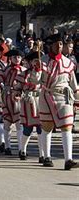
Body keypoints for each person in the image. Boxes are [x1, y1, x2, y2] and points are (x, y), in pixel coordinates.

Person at [39, 34, 79, 170]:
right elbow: (34, 80)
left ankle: (68, 159)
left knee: (67, 126)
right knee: (47, 126)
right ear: (50, 45)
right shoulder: (42, 61)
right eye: (56, 44)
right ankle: (46, 156)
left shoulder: (68, 63)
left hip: (64, 95)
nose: (59, 46)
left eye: (61, 44)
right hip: (47, 95)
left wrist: (77, 96)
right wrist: (36, 71)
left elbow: (73, 82)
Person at [15, 50, 44, 162]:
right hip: (29, 101)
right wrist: (17, 93)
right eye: (35, 61)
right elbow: (18, 87)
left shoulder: (45, 73)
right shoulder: (24, 74)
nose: (38, 63)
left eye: (39, 60)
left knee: (42, 128)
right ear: (31, 62)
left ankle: (42, 154)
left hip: (42, 100)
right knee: (28, 128)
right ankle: (22, 150)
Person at [0, 49, 24, 156]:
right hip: (7, 97)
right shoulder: (5, 69)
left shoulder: (24, 70)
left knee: (19, 123)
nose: (17, 59)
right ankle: (7, 146)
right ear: (10, 59)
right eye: (14, 57)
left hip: (19, 98)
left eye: (19, 57)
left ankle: (21, 148)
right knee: (7, 123)